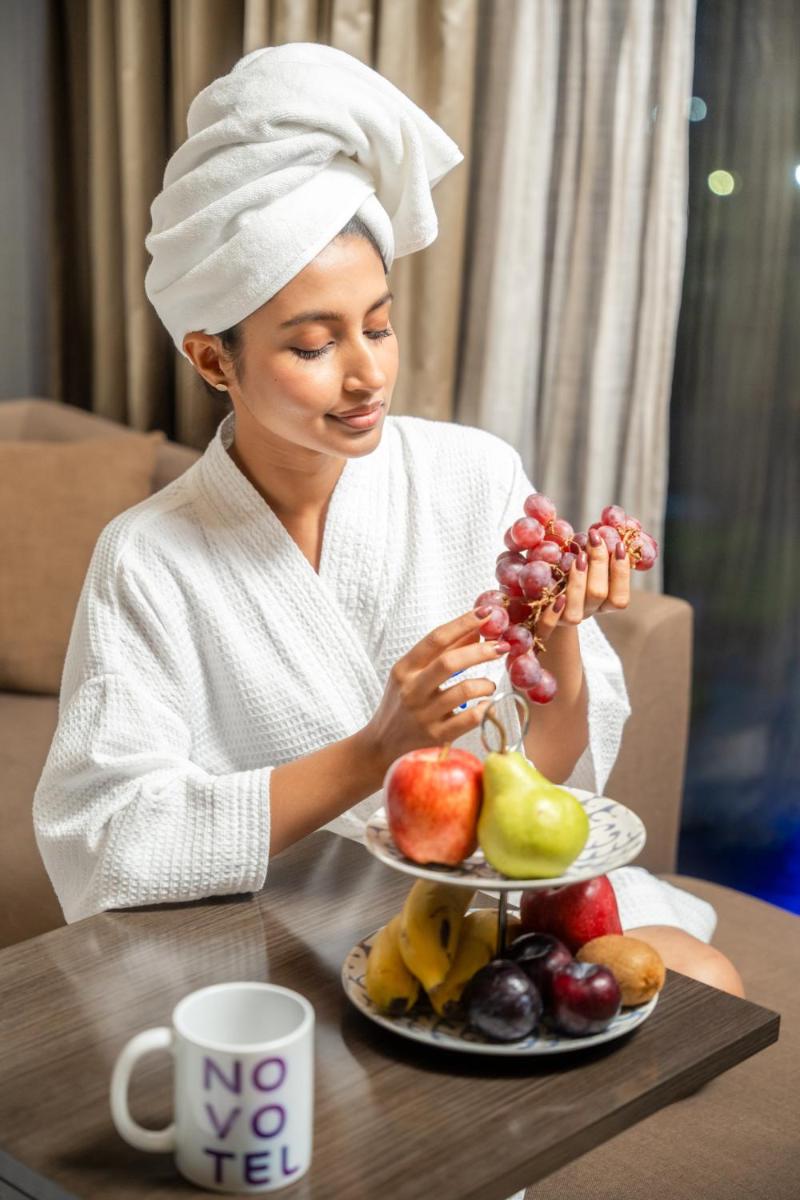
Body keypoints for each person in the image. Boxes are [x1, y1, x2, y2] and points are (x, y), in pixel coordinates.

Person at [33, 43, 742, 1001]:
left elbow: (548, 769)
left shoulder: (471, 474)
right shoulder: (149, 558)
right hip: (303, 926)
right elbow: (105, 838)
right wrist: (377, 753)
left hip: (492, 895)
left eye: (378, 324)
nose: (367, 373)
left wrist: (561, 644)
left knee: (709, 980)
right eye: (315, 344)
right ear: (212, 360)